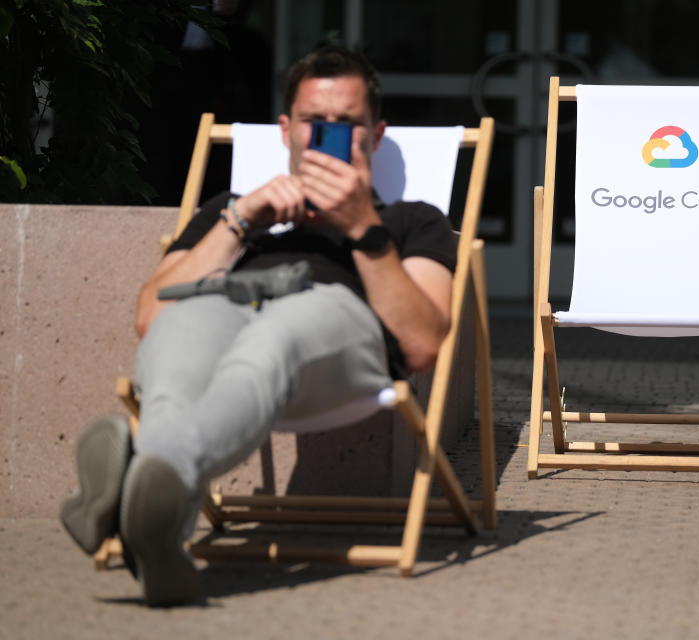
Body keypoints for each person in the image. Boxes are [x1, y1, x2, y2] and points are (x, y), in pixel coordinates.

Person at [59, 45, 458, 606]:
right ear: (286, 130)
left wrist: (363, 228)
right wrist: (241, 220)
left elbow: (424, 342)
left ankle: (137, 470)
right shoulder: (233, 208)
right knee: (179, 343)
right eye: (315, 123)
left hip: (333, 326)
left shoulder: (411, 220)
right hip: (228, 302)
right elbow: (153, 315)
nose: (330, 136)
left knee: (280, 334)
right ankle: (160, 542)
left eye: (348, 124)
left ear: (376, 133)